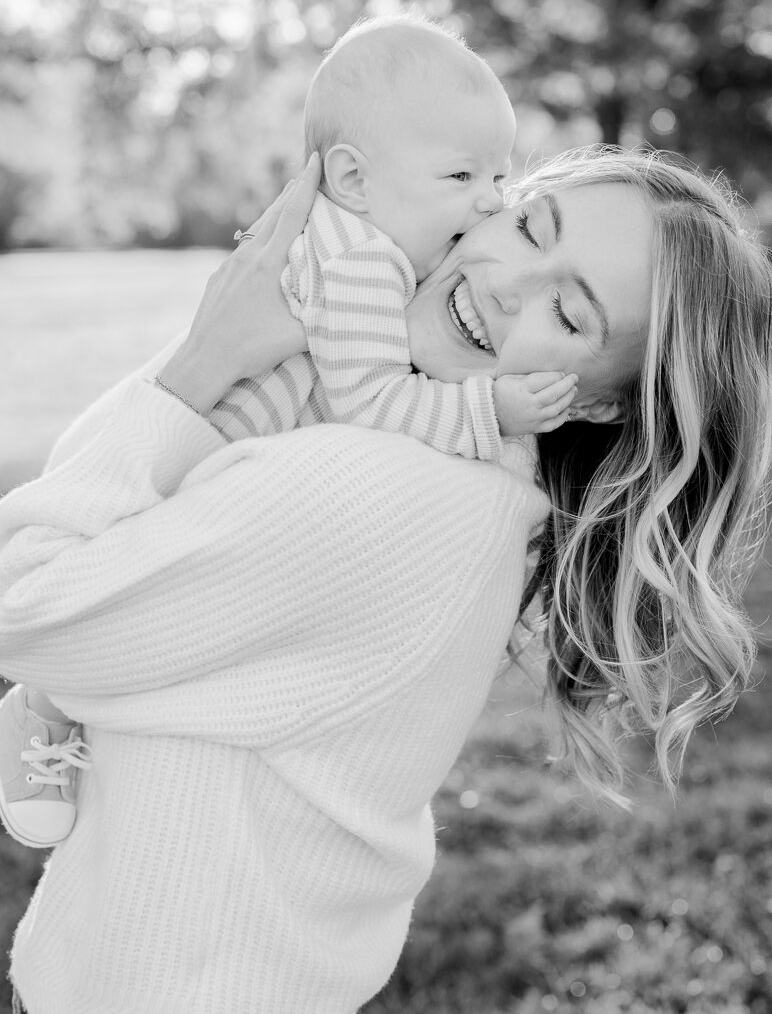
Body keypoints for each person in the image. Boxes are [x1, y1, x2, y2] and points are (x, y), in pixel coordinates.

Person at [0, 144, 770, 1014]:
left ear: (596, 402)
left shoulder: (380, 489)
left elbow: (26, 603)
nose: (507, 282)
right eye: (527, 225)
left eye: (568, 309)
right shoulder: (463, 468)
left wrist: (198, 365)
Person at [0, 14, 579, 850]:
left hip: (217, 451)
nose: (491, 198)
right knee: (125, 586)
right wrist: (490, 412)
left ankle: (63, 699)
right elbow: (374, 400)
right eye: (461, 174)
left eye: (499, 173)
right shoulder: (362, 265)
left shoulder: (369, 242)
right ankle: (47, 704)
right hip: (211, 458)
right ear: (351, 176)